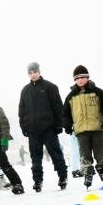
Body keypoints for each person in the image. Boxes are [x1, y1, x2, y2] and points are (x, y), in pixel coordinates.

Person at [18, 62, 69, 192]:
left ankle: (63, 177)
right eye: (30, 72)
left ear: (39, 72)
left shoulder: (50, 87)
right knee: (36, 158)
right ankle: (37, 181)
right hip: (33, 131)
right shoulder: (25, 90)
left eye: (34, 72)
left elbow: (58, 107)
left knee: (56, 154)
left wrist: (59, 125)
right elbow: (22, 111)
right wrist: (24, 126)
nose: (33, 74)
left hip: (49, 129)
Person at [63, 65, 103, 188]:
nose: (80, 80)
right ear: (74, 80)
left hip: (97, 128)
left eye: (82, 77)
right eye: (77, 78)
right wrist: (67, 125)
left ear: (87, 77)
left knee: (100, 153)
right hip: (81, 131)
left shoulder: (98, 92)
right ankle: (88, 174)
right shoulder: (71, 96)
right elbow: (65, 113)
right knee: (84, 154)